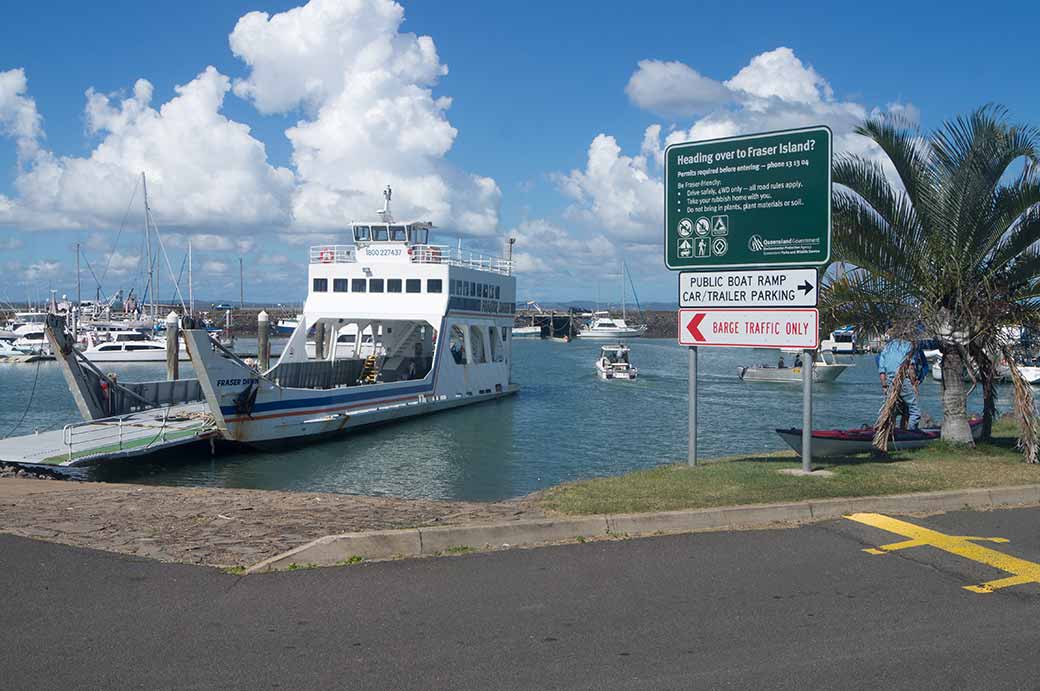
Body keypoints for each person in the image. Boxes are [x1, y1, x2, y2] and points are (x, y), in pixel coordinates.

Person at [877, 337, 925, 430]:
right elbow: (910, 367)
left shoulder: (887, 347)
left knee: (890, 410)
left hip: (890, 381)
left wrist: (884, 386)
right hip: (903, 380)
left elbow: (882, 371)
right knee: (914, 411)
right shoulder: (908, 346)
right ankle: (911, 434)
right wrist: (913, 384)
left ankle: (887, 432)